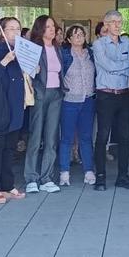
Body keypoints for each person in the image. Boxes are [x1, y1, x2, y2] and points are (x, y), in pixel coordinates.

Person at [91, 10, 129, 191]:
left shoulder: (127, 41)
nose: (118, 25)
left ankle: (123, 176)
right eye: (114, 22)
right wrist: (128, 63)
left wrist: (125, 66)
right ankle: (100, 177)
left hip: (124, 94)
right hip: (106, 95)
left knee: (125, 137)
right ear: (106, 24)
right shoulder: (98, 44)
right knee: (102, 136)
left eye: (120, 21)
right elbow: (108, 67)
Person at [0, 17, 27, 203]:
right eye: (11, 29)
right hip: (0, 106)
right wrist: (5, 61)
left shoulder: (22, 51)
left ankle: (8, 185)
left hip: (16, 105)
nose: (15, 32)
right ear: (3, 31)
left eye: (18, 29)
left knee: (10, 148)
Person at [24, 15, 64, 194]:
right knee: (35, 136)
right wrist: (34, 70)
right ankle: (31, 177)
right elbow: (25, 69)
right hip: (40, 94)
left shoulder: (57, 48)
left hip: (56, 94)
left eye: (53, 26)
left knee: (51, 137)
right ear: (40, 29)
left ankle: (46, 177)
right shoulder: (35, 48)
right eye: (48, 27)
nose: (52, 29)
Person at [59, 25, 96, 187]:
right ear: (69, 39)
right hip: (69, 101)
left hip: (88, 100)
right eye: (75, 35)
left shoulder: (91, 54)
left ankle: (89, 170)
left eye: (81, 34)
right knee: (66, 138)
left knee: (86, 137)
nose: (79, 37)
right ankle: (64, 172)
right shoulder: (64, 55)